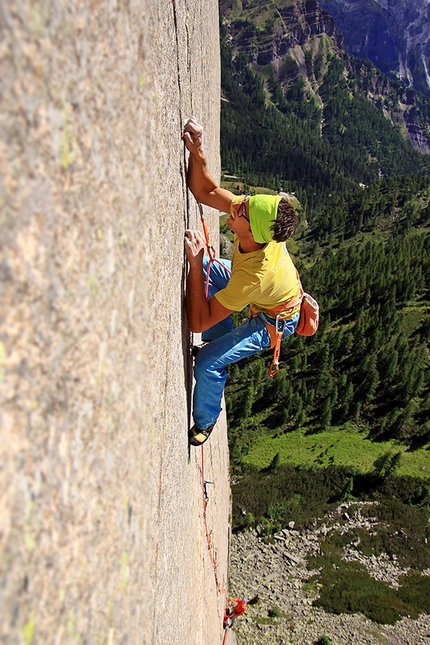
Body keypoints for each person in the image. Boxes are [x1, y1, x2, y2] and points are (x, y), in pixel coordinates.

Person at [183, 116, 301, 447]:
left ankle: (205, 423)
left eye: (241, 212)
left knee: (207, 365)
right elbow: (205, 190)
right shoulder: (253, 221)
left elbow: (197, 320)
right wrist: (198, 151)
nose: (235, 207)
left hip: (275, 320)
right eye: (245, 202)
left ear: (251, 232)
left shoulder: (252, 276)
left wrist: (194, 265)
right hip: (266, 294)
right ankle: (216, 341)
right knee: (207, 268)